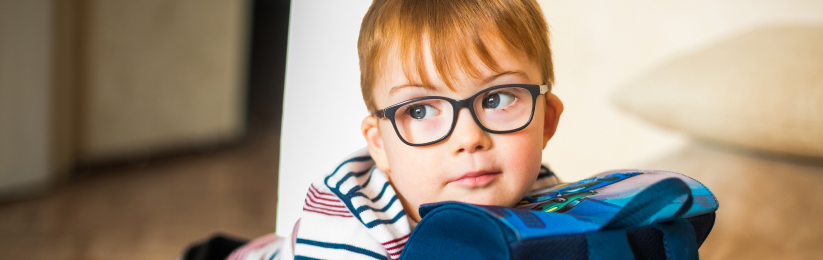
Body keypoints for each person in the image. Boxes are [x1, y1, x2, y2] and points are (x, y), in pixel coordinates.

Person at [226, 0, 563, 259]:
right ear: (380, 145)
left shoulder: (548, 200)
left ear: (546, 120)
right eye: (420, 109)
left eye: (497, 99)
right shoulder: (350, 230)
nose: (469, 139)